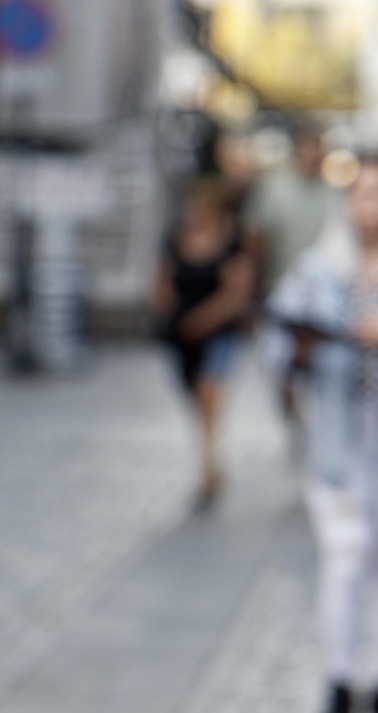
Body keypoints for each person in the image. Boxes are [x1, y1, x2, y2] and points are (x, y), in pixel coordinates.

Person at [268, 155, 378, 713]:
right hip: (336, 439)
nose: (373, 207)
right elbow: (278, 349)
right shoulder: (319, 270)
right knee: (344, 557)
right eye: (365, 195)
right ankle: (340, 678)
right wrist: (302, 347)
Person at [150, 176, 257, 508]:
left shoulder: (231, 240)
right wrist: (170, 312)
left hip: (219, 331)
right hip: (182, 335)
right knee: (195, 397)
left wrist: (204, 319)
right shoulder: (176, 238)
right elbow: (161, 283)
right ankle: (209, 453)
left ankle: (207, 467)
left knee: (210, 391)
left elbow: (237, 292)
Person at [243, 123, 339, 448]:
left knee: (318, 369)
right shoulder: (274, 190)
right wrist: (252, 294)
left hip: (321, 301)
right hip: (278, 295)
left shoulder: (334, 195)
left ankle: (318, 430)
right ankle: (296, 422)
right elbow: (256, 240)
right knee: (278, 371)